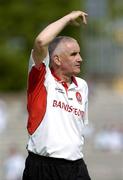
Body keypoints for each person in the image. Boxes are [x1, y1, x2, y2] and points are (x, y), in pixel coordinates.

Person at [23, 10, 91, 180]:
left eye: (79, 53)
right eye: (73, 54)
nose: (80, 58)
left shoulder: (82, 85)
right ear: (57, 60)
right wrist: (68, 18)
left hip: (76, 166)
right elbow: (40, 41)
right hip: (43, 167)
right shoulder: (42, 79)